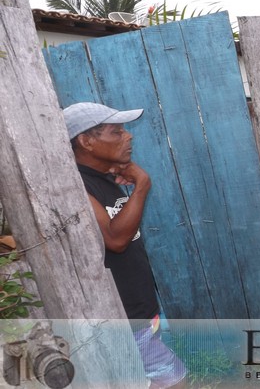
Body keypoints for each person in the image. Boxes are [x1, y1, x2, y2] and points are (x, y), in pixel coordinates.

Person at [64, 102, 187, 389]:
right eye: (116, 132)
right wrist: (142, 185)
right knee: (174, 381)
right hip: (121, 315)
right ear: (86, 141)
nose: (128, 136)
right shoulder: (77, 185)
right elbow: (116, 241)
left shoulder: (105, 178)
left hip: (139, 306)